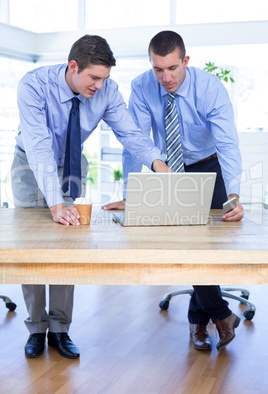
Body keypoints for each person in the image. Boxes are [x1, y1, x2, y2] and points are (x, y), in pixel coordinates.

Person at [11, 34, 169, 359]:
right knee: (33, 248)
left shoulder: (106, 91)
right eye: (94, 77)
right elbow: (39, 146)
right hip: (30, 165)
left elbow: (129, 132)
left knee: (66, 245)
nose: (99, 85)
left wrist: (157, 163)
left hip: (70, 164)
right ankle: (36, 328)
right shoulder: (33, 86)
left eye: (104, 78)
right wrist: (55, 203)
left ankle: (60, 329)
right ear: (73, 66)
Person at [103, 30, 245, 351]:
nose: (165, 77)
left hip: (209, 166)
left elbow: (227, 143)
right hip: (166, 169)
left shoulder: (209, 88)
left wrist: (234, 193)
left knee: (206, 246)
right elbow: (135, 140)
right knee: (186, 244)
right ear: (150, 64)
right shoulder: (141, 86)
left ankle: (200, 322)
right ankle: (220, 316)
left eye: (172, 68)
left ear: (186, 61)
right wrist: (131, 190)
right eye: (158, 69)